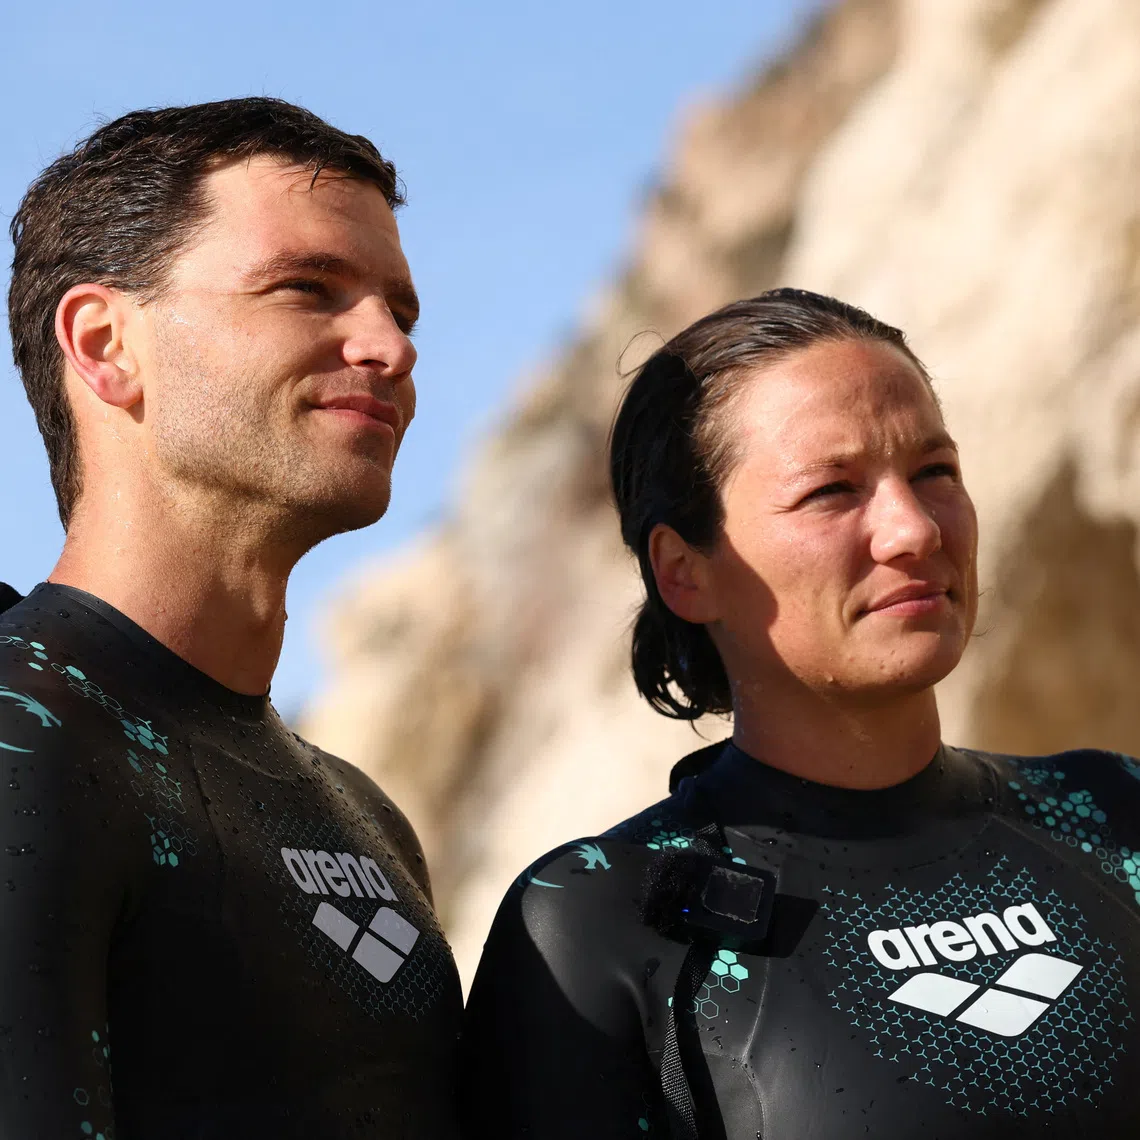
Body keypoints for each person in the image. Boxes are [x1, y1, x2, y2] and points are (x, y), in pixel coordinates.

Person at [460, 290, 1140, 1138]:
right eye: (832, 490)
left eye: (934, 472)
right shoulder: (603, 920)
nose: (913, 530)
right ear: (684, 572)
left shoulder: (1113, 814)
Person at [1, 98, 461, 1138]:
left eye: (401, 312)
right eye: (308, 288)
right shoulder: (24, 740)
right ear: (106, 344)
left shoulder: (365, 816)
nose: (390, 348)